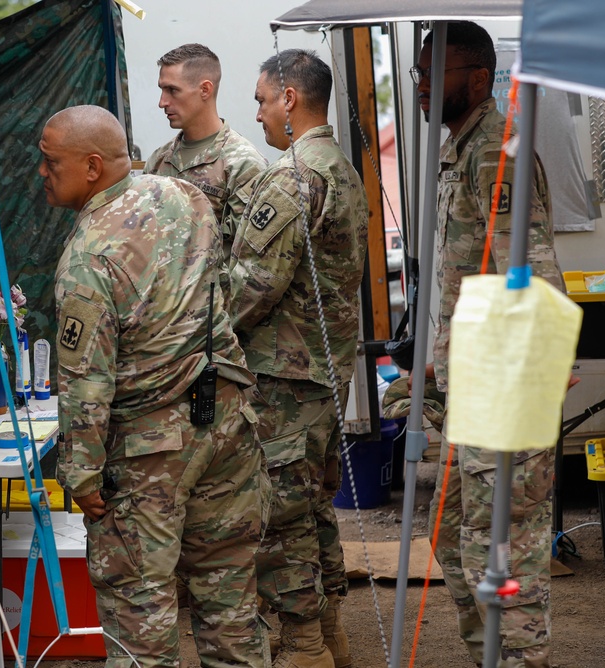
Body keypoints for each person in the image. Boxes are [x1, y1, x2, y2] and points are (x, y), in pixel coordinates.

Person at [40, 104, 269, 668]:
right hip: (224, 422)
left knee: (138, 606)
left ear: (92, 166)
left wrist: (82, 471)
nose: (41, 173)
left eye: (50, 162)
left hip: (149, 449)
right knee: (229, 593)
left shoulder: (88, 256)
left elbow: (84, 380)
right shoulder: (183, 196)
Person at [413, 22, 563, 668]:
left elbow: (529, 277)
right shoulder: (461, 150)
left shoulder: (495, 153)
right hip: (466, 385)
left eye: (432, 74)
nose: (420, 88)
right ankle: (490, 656)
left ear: (476, 80)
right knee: (455, 540)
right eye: (418, 73)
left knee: (503, 550)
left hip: (503, 394)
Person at [229, 49, 368, 668]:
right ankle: (328, 634)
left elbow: (250, 287)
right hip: (325, 372)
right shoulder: (343, 168)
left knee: (279, 517)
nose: (256, 114)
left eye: (261, 99)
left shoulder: (291, 177)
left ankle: (306, 648)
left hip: (285, 378)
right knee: (312, 509)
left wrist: (192, 332)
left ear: (289, 98)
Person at [144, 43, 266, 259]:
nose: (162, 102)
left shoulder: (243, 165)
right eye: (161, 90)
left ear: (205, 90)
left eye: (172, 90)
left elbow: (249, 254)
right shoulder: (158, 161)